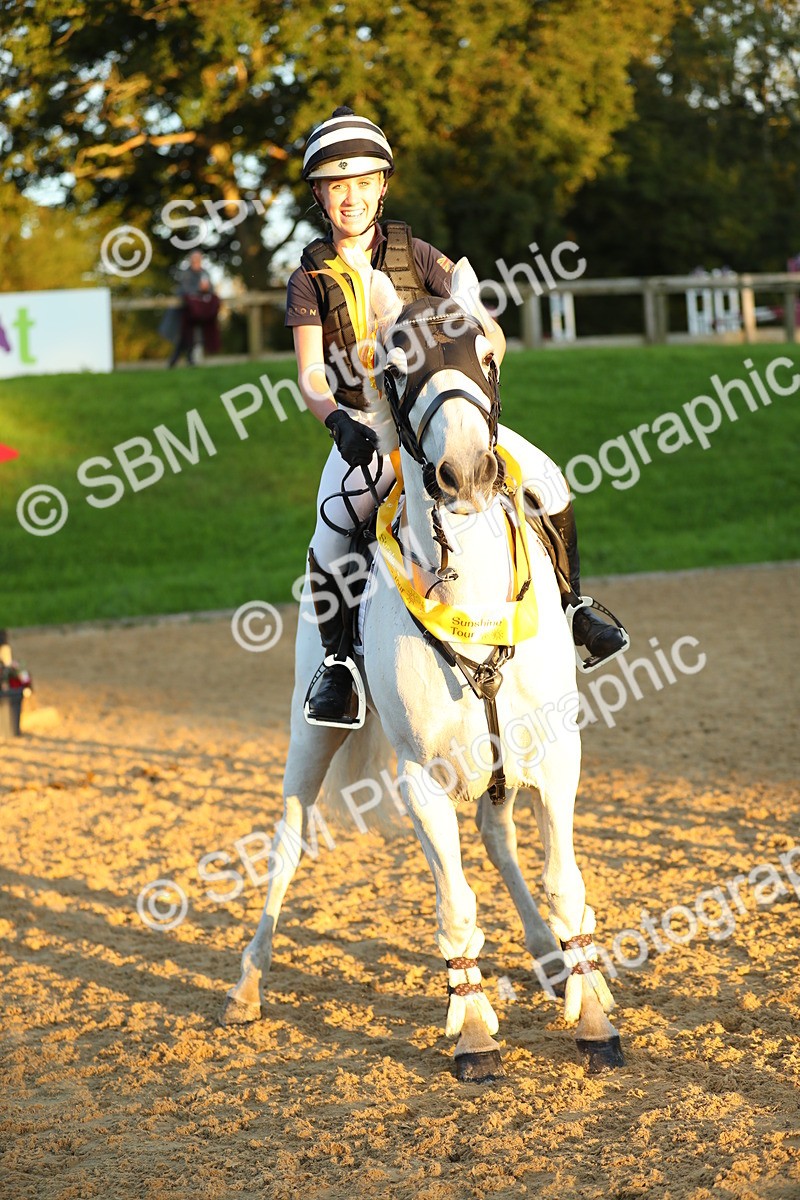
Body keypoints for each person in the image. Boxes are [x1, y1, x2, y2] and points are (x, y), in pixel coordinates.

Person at [286, 107, 626, 725]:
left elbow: (484, 323)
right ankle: (340, 667)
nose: (352, 197)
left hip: (438, 414)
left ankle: (577, 607)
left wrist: (480, 357)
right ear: (319, 194)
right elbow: (311, 372)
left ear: (382, 186)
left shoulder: (416, 255)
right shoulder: (309, 279)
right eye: (338, 185)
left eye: (363, 183)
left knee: (548, 483)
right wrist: (335, 418)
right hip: (368, 429)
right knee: (332, 535)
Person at [164, 251, 220, 366]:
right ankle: (176, 360)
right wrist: (199, 288)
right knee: (184, 336)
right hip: (186, 312)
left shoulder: (205, 273)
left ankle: (186, 360)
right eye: (195, 260)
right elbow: (185, 291)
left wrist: (206, 289)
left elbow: (211, 289)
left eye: (198, 260)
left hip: (200, 312)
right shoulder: (186, 274)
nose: (197, 263)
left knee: (195, 336)